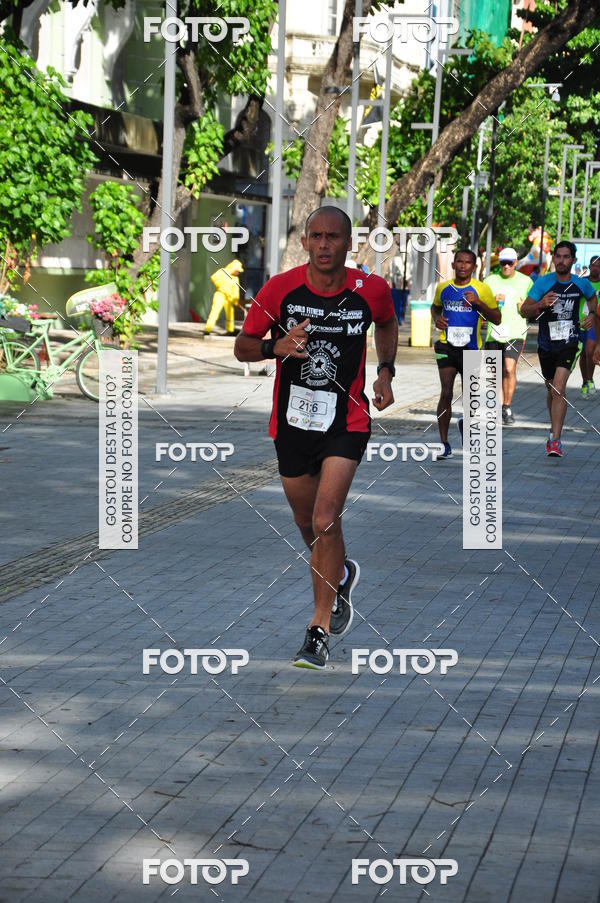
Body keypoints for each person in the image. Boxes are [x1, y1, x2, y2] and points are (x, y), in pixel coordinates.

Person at [234, 206, 398, 670]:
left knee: (326, 519)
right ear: (305, 242)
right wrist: (275, 347)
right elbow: (242, 346)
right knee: (307, 525)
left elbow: (386, 322)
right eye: (316, 236)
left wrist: (385, 371)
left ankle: (318, 630)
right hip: (292, 425)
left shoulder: (372, 291)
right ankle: (342, 573)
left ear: (350, 243)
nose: (324, 245)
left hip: (347, 421)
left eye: (334, 237)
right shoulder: (280, 289)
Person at [520, 240, 597, 457]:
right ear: (553, 258)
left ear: (573, 260)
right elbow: (524, 310)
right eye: (558, 256)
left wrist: (590, 316)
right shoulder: (543, 284)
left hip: (569, 342)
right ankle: (553, 427)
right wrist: (540, 304)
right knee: (551, 388)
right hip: (546, 344)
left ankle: (556, 439)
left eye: (566, 257)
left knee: (559, 388)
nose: (561, 260)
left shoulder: (581, 284)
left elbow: (592, 300)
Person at [431, 248, 500, 458]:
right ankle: (444, 443)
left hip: (471, 347)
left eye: (467, 262)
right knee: (446, 392)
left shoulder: (482, 289)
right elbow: (435, 307)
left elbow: (497, 318)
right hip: (447, 346)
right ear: (453, 265)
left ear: (474, 266)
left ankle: (466, 424)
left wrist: (478, 303)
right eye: (459, 262)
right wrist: (437, 318)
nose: (463, 266)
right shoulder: (443, 287)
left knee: (471, 395)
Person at [484, 247, 533, 424]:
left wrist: (524, 308)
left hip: (515, 332)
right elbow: (481, 308)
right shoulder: (490, 281)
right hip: (493, 333)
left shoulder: (526, 281)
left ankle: (507, 406)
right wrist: (491, 304)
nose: (506, 266)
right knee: (494, 374)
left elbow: (533, 308)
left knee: (509, 368)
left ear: (515, 263)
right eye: (503, 262)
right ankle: (497, 409)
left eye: (509, 263)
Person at [204, 259, 244, 335]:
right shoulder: (222, 272)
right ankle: (207, 329)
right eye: (237, 271)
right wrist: (221, 286)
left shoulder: (236, 278)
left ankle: (230, 330)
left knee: (230, 314)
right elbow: (214, 278)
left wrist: (235, 300)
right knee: (215, 312)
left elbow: (236, 290)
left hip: (229, 298)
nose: (238, 273)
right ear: (233, 268)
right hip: (220, 295)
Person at [580, 255, 600, 397]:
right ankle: (585, 381)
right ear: (589, 266)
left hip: (596, 322)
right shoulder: (582, 282)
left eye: (598, 265)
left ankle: (590, 379)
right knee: (583, 354)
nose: (595, 268)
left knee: (590, 350)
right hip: (580, 321)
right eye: (593, 265)